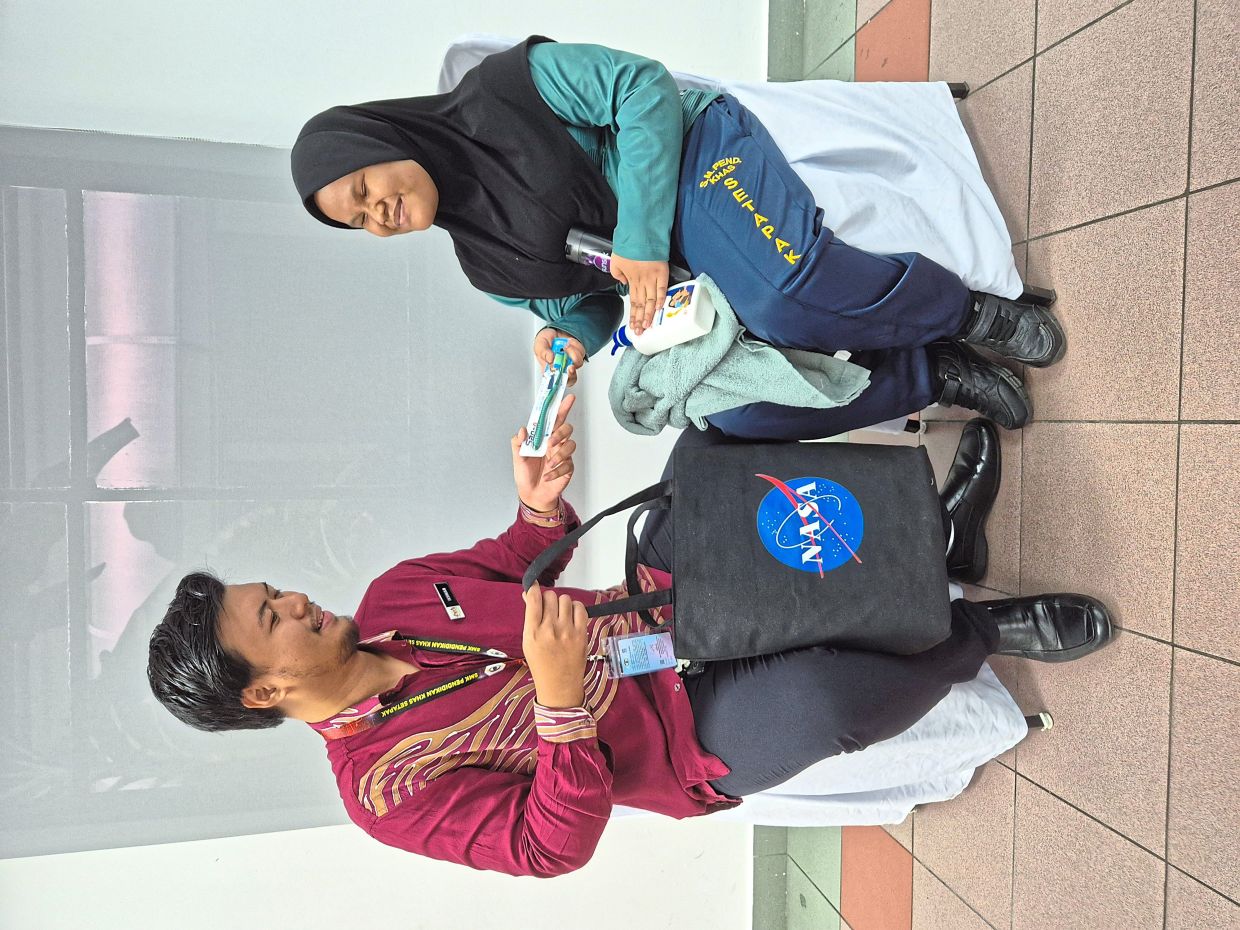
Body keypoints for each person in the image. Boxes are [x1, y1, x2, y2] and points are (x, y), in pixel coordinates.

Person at [147, 399, 1112, 876]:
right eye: (274, 618)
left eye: (274, 589)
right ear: (263, 692)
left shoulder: (395, 594)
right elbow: (545, 848)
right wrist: (561, 707)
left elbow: (520, 554)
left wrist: (537, 506)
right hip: (692, 742)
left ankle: (930, 533)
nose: (299, 600)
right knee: (824, 698)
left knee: (712, 437)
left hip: (655, 609)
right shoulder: (384, 794)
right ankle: (979, 630)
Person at [290, 37, 1063, 438]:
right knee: (736, 417)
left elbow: (643, 86)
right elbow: (585, 302)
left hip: (696, 161)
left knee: (783, 296)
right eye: (359, 221)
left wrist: (640, 235)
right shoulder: (480, 265)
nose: (378, 214)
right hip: (681, 280)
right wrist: (569, 345)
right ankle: (934, 374)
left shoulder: (506, 87)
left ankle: (968, 313)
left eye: (364, 189)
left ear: (379, 138)